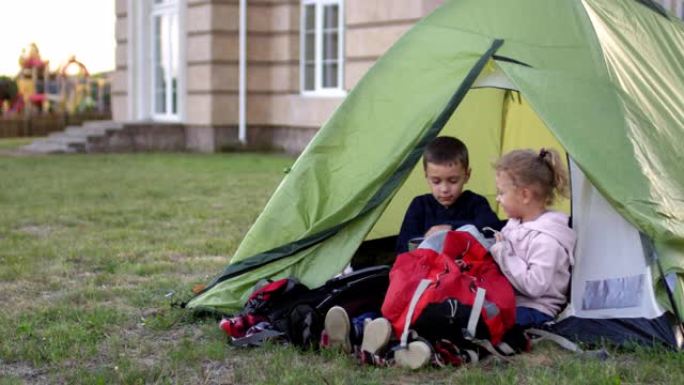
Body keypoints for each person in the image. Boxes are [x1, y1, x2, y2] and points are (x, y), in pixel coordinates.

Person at [490, 148, 576, 328]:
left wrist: (503, 254)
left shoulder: (547, 239)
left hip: (536, 309)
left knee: (493, 325)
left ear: (525, 195)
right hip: (511, 301)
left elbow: (535, 286)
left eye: (502, 192)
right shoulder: (514, 225)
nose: (498, 199)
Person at [396, 136, 503, 253]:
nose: (444, 189)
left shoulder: (476, 202)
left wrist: (451, 228)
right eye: (436, 181)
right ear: (426, 176)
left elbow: (493, 228)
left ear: (467, 175)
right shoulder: (420, 205)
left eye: (453, 181)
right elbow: (403, 246)